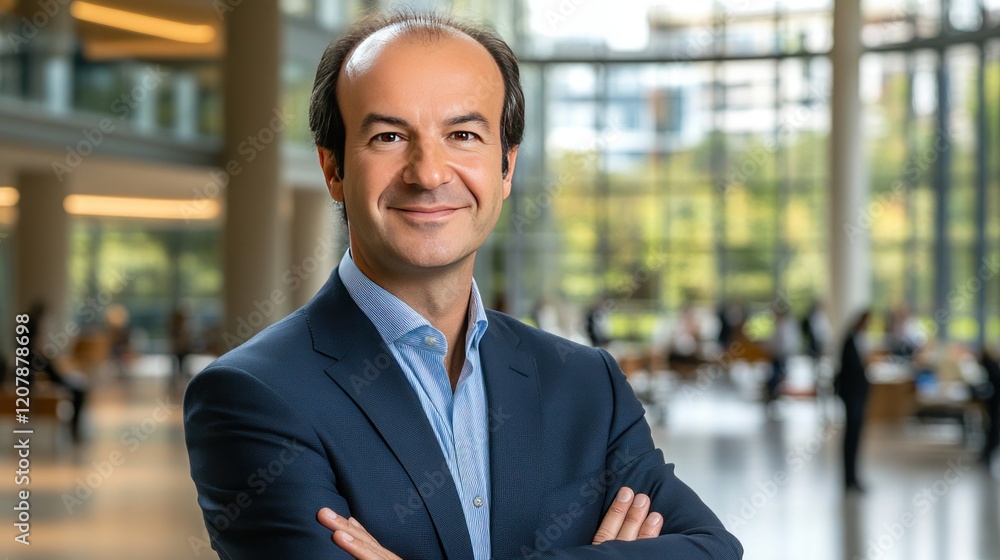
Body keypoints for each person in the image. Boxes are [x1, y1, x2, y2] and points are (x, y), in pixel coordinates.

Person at [184, 11, 742, 560]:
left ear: (506, 168)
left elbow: (711, 549)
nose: (428, 173)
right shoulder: (253, 396)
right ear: (333, 169)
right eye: (388, 135)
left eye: (463, 134)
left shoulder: (586, 384)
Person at [25, 302, 88, 442]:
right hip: (50, 383)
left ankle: (74, 430)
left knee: (78, 387)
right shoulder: (36, 357)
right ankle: (75, 430)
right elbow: (56, 377)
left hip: (54, 379)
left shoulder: (37, 356)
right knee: (79, 391)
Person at [834, 309, 872, 492]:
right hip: (852, 397)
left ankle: (853, 477)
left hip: (858, 396)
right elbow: (850, 372)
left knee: (855, 437)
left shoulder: (858, 341)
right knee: (851, 437)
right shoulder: (850, 342)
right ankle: (848, 478)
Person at [979, 346, 1000, 466]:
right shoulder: (992, 365)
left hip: (994, 402)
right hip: (994, 402)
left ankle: (988, 452)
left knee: (993, 427)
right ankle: (988, 452)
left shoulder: (989, 365)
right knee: (993, 427)